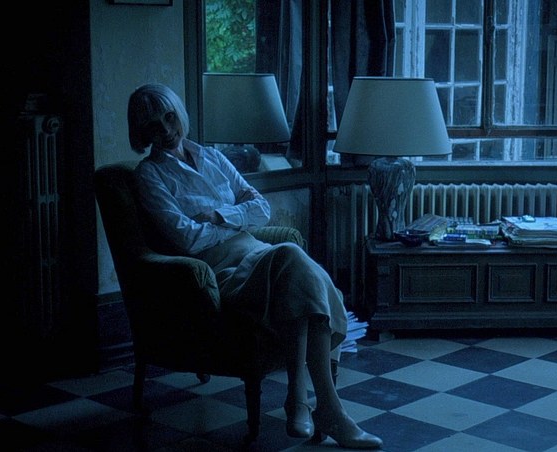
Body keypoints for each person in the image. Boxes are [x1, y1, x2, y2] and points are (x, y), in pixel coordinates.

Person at [126, 83, 383, 449]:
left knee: (297, 271)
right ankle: (319, 406)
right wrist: (235, 217)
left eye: (169, 117)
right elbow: (187, 239)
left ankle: (308, 402)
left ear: (179, 113)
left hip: (258, 253)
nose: (165, 130)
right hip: (220, 272)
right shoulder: (149, 175)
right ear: (142, 132)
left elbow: (261, 208)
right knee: (294, 258)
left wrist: (218, 215)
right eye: (153, 125)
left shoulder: (211, 157)